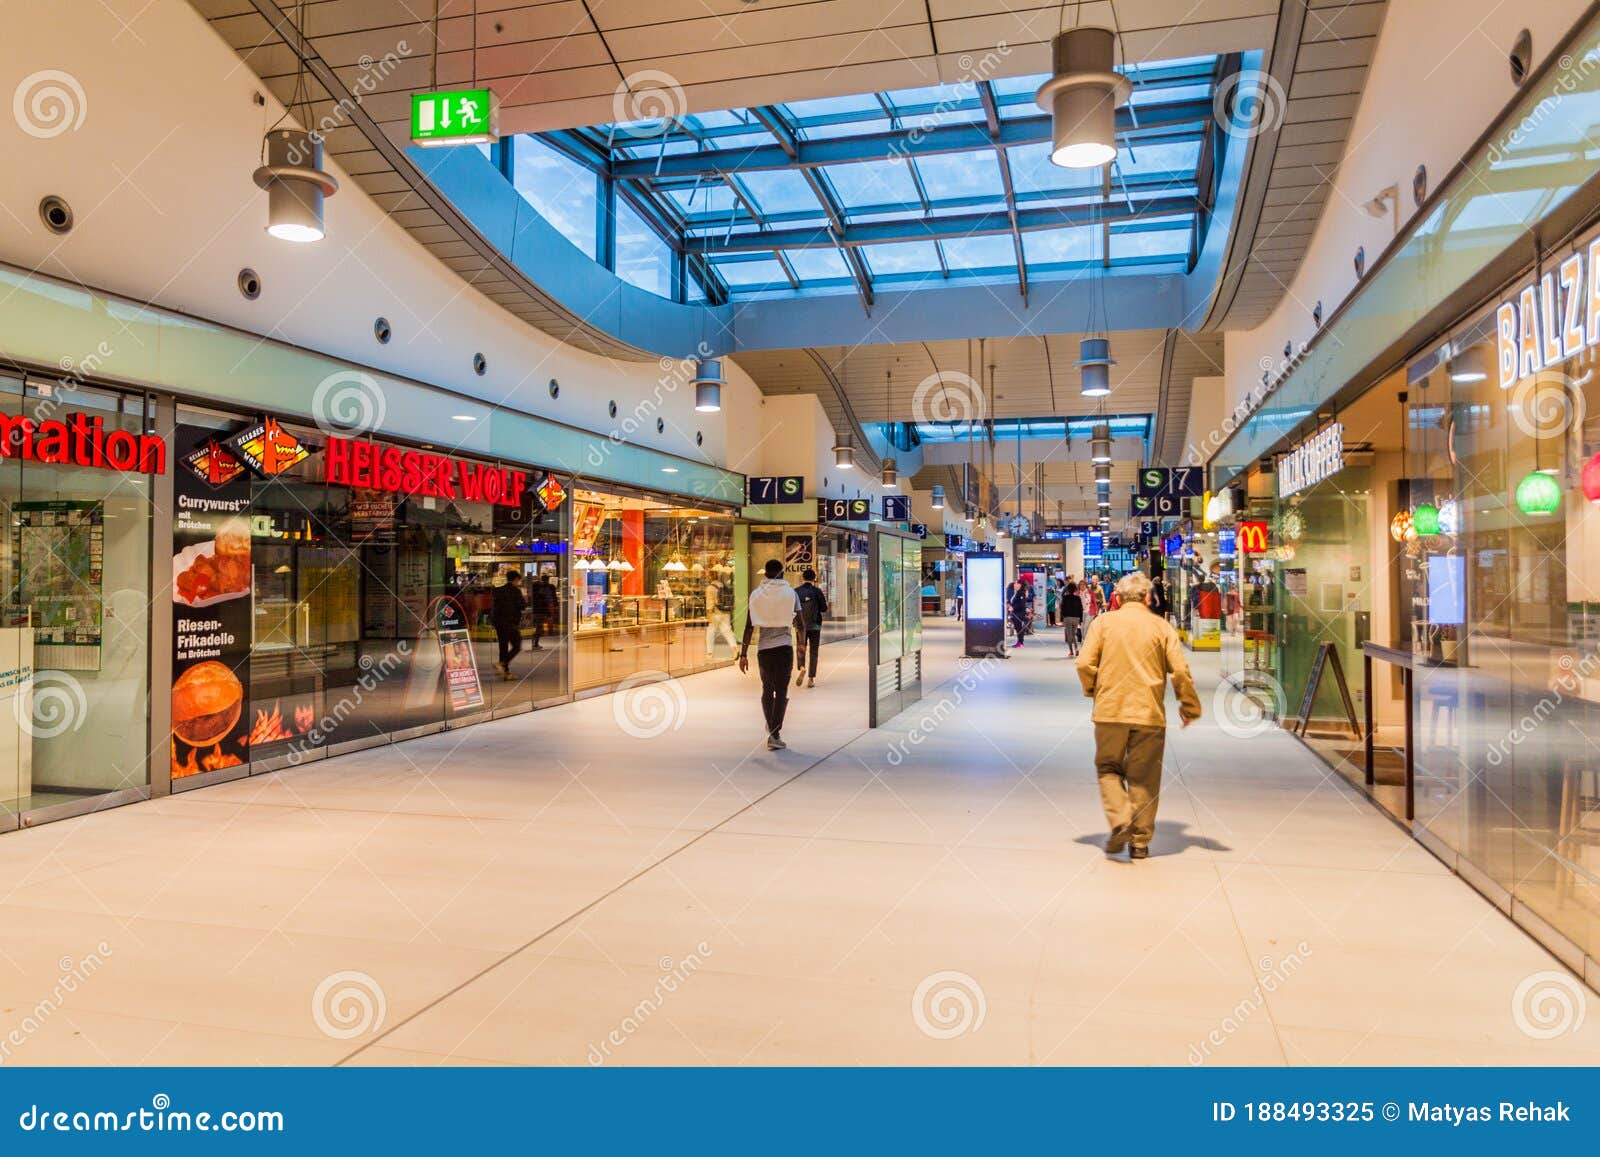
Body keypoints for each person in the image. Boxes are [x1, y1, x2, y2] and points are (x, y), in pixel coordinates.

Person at [1076, 571, 1202, 860]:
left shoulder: (1103, 623)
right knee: (1144, 777)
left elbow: (1084, 662)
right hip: (1149, 714)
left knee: (1108, 767)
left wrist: (1093, 689)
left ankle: (1120, 818)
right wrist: (1189, 706)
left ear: (1117, 599)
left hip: (1109, 711)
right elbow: (1180, 671)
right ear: (1148, 597)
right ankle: (1140, 842)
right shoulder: (1161, 627)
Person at [739, 558, 802, 750]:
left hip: (764, 650)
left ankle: (772, 726)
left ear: (765, 574)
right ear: (782, 573)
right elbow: (801, 622)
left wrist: (743, 654)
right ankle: (775, 732)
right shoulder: (790, 594)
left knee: (767, 688)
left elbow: (749, 626)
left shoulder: (756, 595)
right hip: (784, 648)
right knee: (781, 689)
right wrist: (801, 646)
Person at [793, 567, 829, 688]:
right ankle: (811, 678)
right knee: (814, 652)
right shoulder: (817, 591)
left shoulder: (796, 591)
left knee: (801, 648)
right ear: (814, 579)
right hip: (815, 625)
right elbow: (824, 608)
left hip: (800, 626)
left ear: (803, 578)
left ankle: (802, 667)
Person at [490, 566, 526, 680]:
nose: (518, 582)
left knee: (503, 646)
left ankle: (505, 673)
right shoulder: (516, 591)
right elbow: (522, 606)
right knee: (517, 645)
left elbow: (495, 605)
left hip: (498, 622)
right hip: (510, 622)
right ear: (515, 579)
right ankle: (502, 664)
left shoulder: (499, 590)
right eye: (518, 580)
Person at [528, 573, 558, 650]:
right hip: (541, 611)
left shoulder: (535, 595)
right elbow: (546, 602)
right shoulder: (546, 590)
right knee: (539, 627)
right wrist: (549, 612)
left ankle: (535, 642)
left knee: (539, 627)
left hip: (536, 611)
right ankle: (535, 643)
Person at [1061, 580, 1084, 656]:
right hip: (1076, 618)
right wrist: (1081, 619)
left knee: (1069, 635)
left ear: (1068, 589)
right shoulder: (1078, 598)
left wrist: (1062, 618)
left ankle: (1071, 650)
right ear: (1075, 589)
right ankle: (1076, 648)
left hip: (1067, 618)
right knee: (1073, 634)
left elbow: (1062, 608)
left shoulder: (1065, 598)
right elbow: (1081, 608)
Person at [1007, 574, 1031, 648]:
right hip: (1016, 613)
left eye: (1017, 583)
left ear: (1020, 585)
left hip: (1019, 614)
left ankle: (1020, 642)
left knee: (1019, 629)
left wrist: (1013, 608)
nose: (1015, 584)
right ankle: (1019, 642)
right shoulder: (1017, 593)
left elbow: (1021, 604)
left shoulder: (1021, 593)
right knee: (1018, 628)